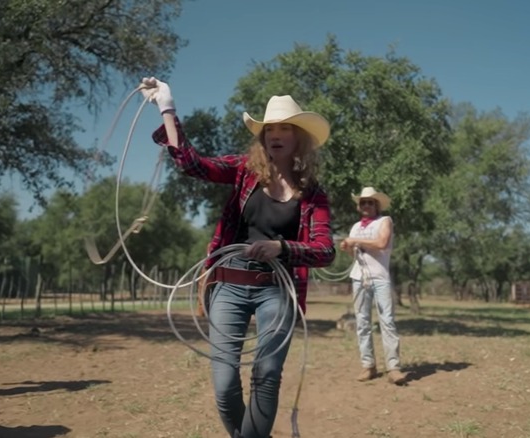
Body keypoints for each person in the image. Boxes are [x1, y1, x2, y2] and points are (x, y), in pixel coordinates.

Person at [142, 77, 335, 438]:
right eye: (269, 129)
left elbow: (325, 250)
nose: (275, 134)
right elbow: (193, 164)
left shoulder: (313, 195)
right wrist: (167, 107)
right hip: (229, 282)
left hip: (277, 289)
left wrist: (283, 248)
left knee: (267, 376)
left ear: (299, 139)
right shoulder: (243, 171)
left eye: (284, 129)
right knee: (225, 382)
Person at [339, 186, 406, 385]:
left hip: (380, 278)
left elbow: (381, 243)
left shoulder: (385, 221)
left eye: (370, 202)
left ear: (376, 205)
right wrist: (348, 248)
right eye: (363, 202)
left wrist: (355, 240)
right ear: (360, 207)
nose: (366, 205)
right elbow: (356, 256)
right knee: (362, 322)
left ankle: (393, 367)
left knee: (387, 321)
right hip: (359, 277)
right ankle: (368, 365)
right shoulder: (355, 226)